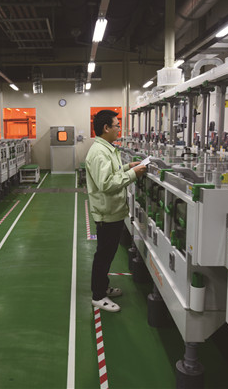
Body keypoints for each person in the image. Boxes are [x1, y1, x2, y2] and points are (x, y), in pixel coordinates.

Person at [85, 110, 147, 312]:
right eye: (117, 125)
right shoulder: (99, 152)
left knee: (107, 255)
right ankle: (98, 296)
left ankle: (103, 288)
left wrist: (128, 167)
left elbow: (112, 172)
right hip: (107, 213)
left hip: (113, 211)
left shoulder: (107, 149)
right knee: (103, 256)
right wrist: (133, 174)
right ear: (106, 128)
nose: (119, 129)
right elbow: (106, 183)